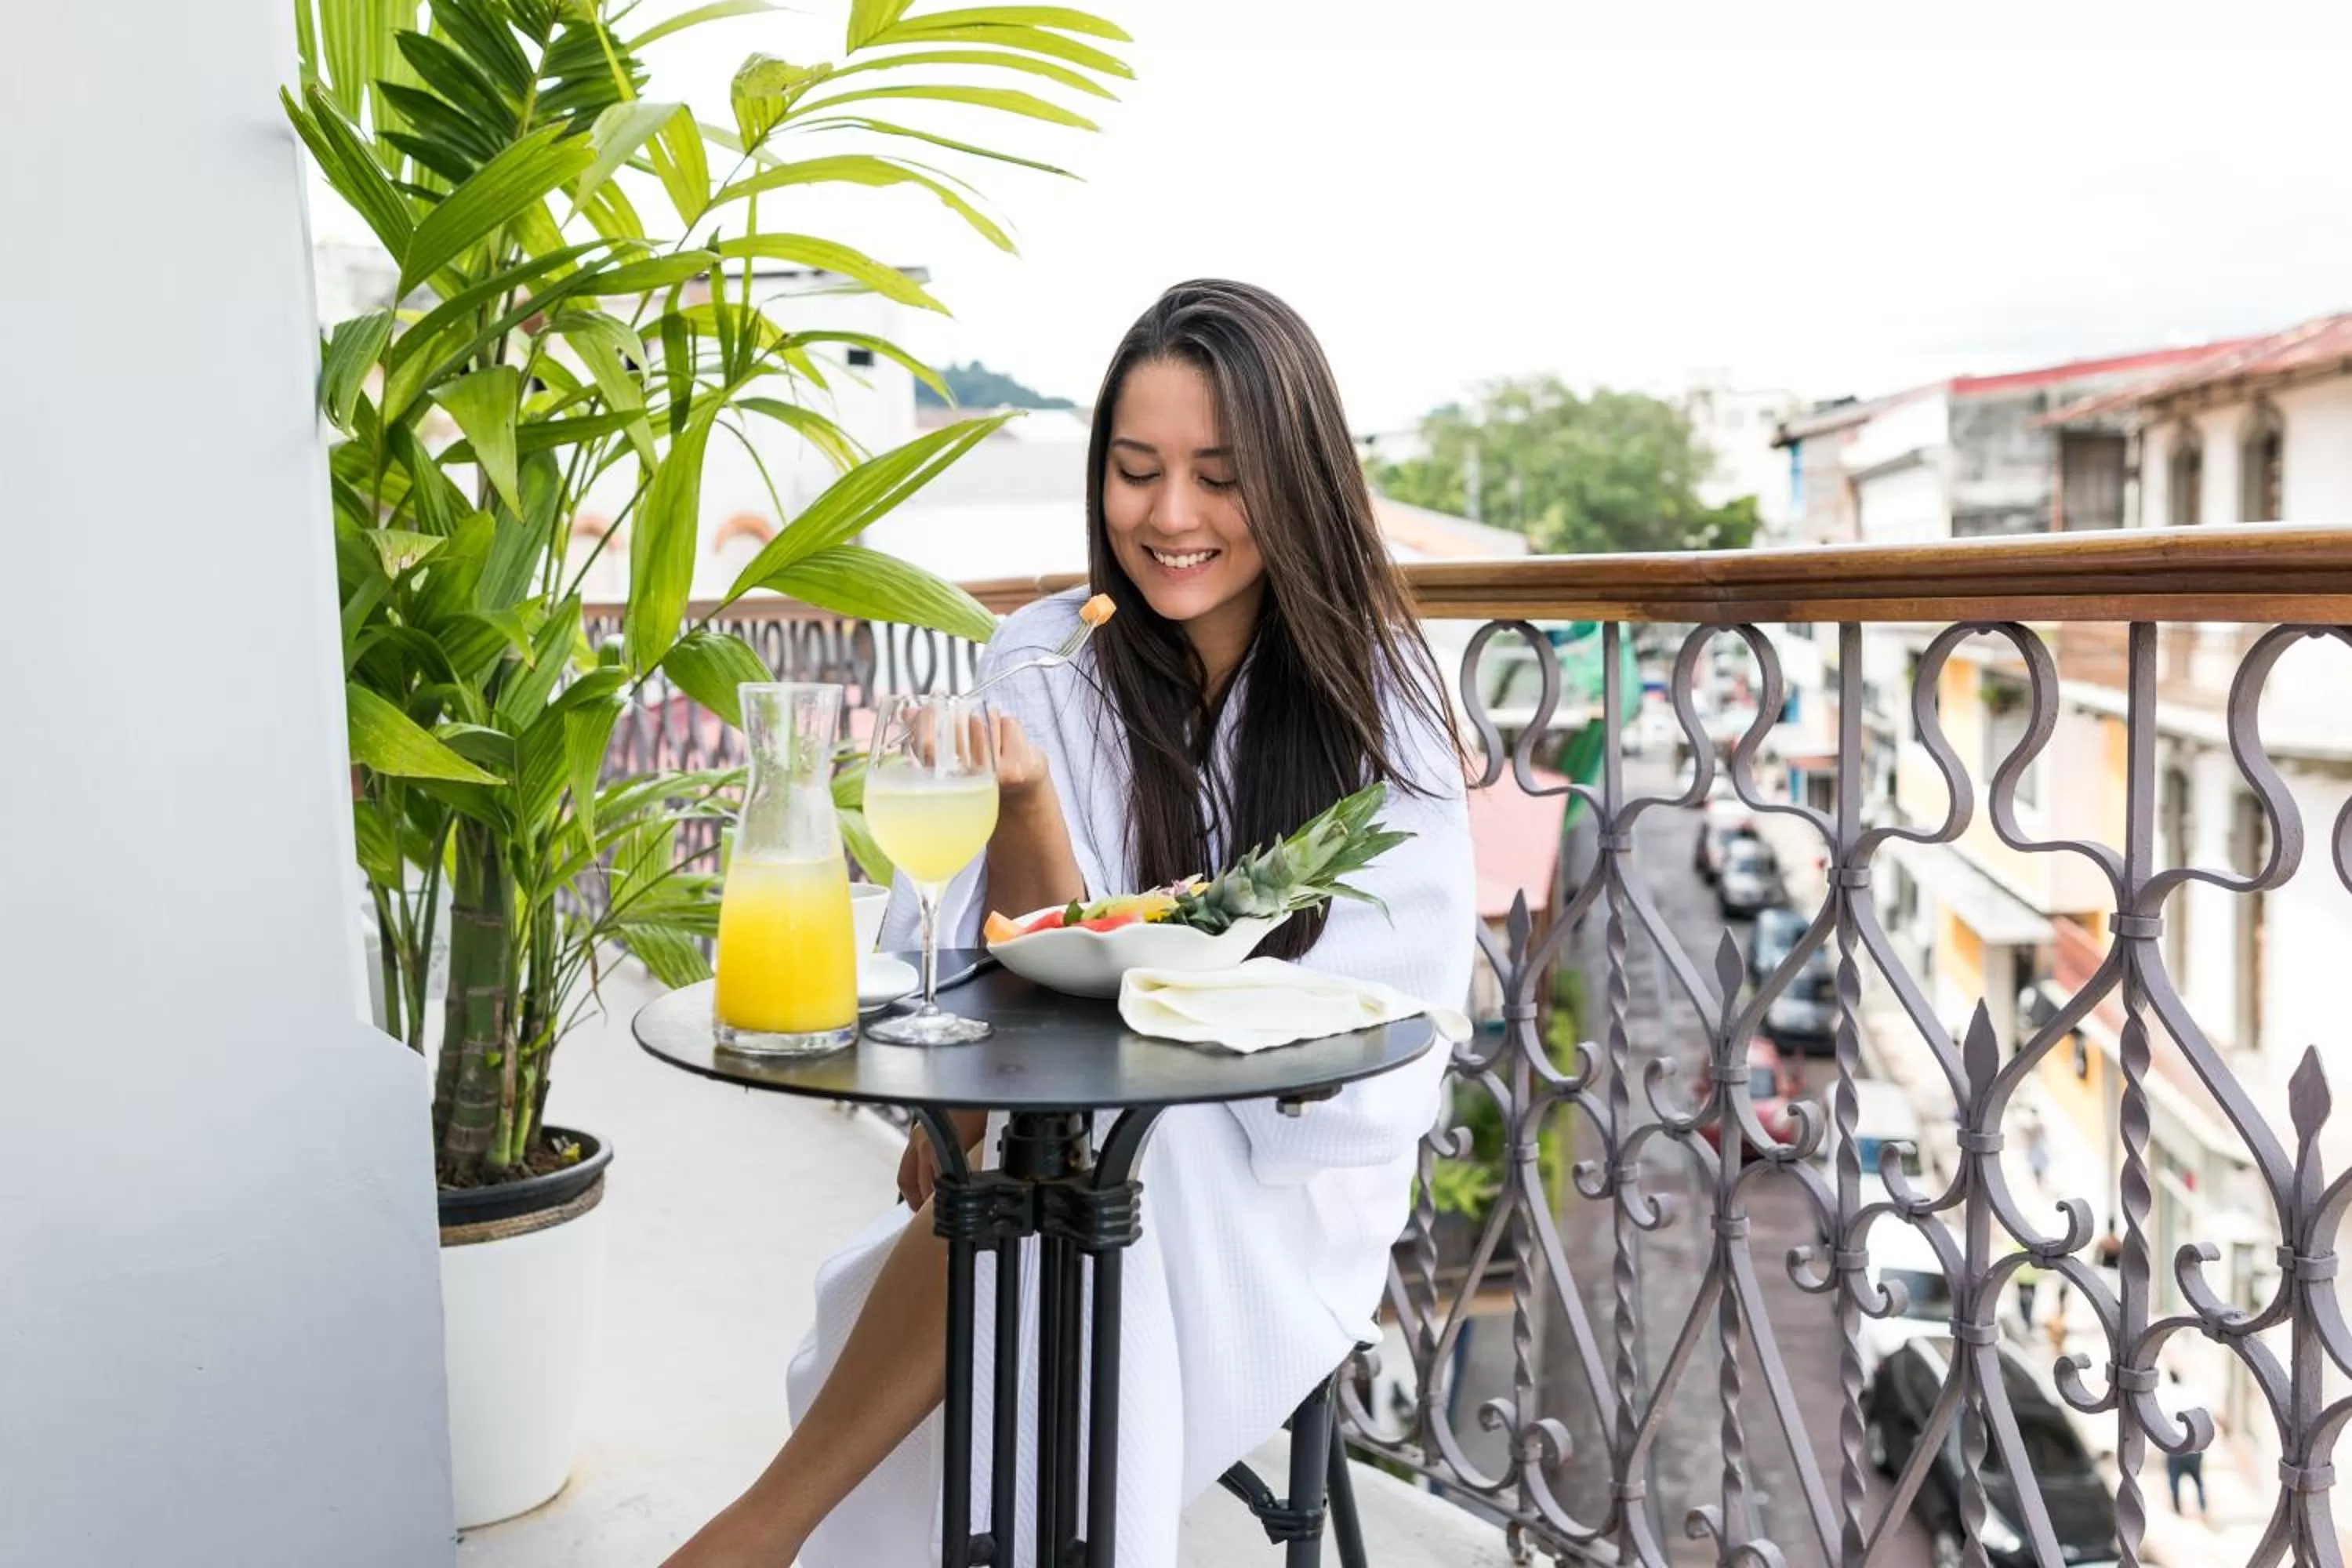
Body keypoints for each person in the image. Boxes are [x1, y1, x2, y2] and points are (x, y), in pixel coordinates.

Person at [662, 280, 1476, 1568]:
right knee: (1068, 1162)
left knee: (1097, 1163)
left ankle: (760, 1531)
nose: (1169, 517)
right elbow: (977, 957)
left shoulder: (1384, 712)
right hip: (1058, 1135)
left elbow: (1389, 1025)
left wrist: (1086, 1077)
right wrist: (1030, 808)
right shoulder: (1046, 659)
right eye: (1135, 471)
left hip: (1281, 1192)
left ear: (1298, 483)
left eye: (1220, 477)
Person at [2159, 1368, 2209, 1517]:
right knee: (2198, 1479)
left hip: (2175, 1446)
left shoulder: (2168, 1397)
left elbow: (2160, 1421)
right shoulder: (2192, 1394)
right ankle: (2203, 1506)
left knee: (2174, 1480)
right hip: (2194, 1446)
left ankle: (2177, 1509)